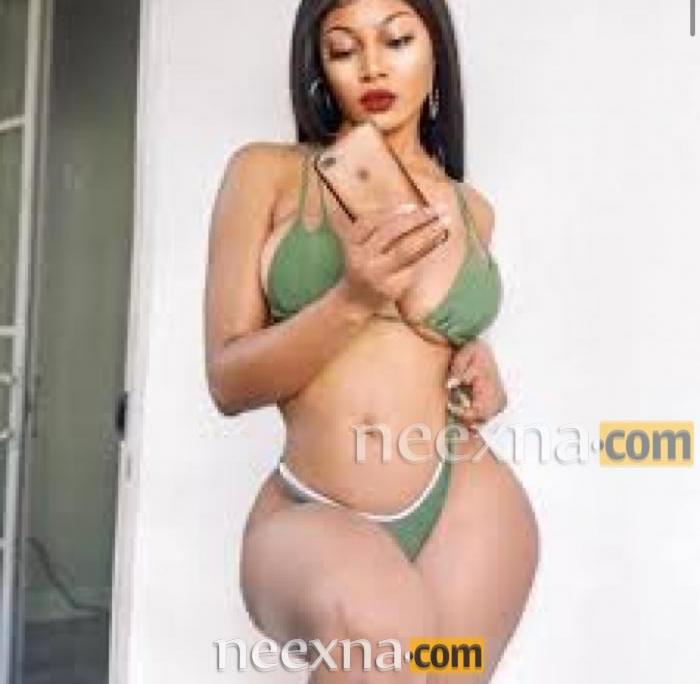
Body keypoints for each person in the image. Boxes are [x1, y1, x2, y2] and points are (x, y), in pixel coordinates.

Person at [204, 0, 539, 681]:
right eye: (343, 48)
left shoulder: (473, 210)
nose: (373, 66)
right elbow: (228, 381)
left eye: (397, 40)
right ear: (319, 68)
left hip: (464, 495)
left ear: (436, 52)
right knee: (381, 637)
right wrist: (351, 300)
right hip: (313, 502)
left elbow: (429, 354)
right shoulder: (266, 173)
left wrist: (479, 366)